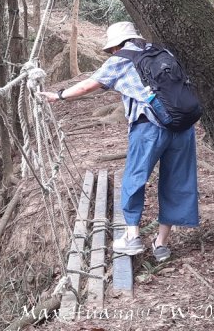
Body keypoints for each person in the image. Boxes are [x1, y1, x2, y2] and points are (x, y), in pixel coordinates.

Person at [37, 21, 199, 262]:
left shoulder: (120, 60)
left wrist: (58, 96)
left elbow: (87, 85)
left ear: (115, 46)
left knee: (135, 177)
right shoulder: (163, 52)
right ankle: (161, 243)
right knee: (178, 181)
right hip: (184, 126)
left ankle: (132, 236)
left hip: (149, 127)